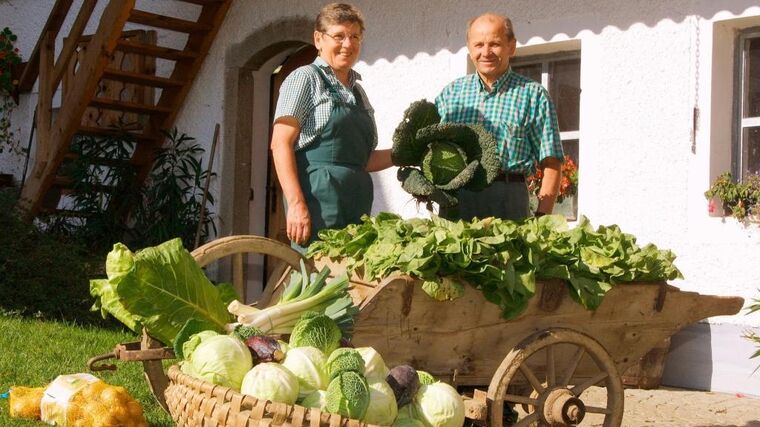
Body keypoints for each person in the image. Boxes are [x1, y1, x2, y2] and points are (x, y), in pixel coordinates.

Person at [271, 3, 392, 251]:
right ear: (318, 39)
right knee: (315, 281)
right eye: (339, 36)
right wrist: (295, 204)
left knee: (350, 285)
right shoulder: (305, 78)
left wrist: (403, 154)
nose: (348, 44)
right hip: (318, 201)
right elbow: (280, 143)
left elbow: (362, 160)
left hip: (355, 204)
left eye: (354, 36)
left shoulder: (358, 92)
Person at [435, 13, 564, 221]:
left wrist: (542, 219)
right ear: (469, 48)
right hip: (458, 200)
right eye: (478, 45)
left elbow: (552, 163)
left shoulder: (533, 95)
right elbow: (431, 150)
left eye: (494, 44)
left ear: (511, 46)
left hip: (509, 198)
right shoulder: (450, 94)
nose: (486, 52)